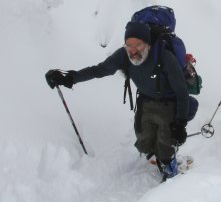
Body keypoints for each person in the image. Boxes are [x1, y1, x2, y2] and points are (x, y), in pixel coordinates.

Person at [45, 21, 189, 179]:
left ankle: (169, 168)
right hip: (145, 102)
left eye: (138, 45)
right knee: (144, 143)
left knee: (165, 143)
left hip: (168, 104)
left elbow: (181, 91)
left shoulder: (164, 57)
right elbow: (100, 70)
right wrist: (70, 78)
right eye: (129, 45)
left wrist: (180, 122)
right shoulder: (123, 55)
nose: (133, 50)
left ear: (147, 44)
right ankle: (157, 154)